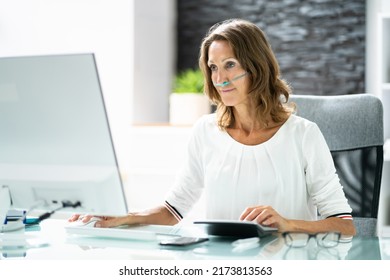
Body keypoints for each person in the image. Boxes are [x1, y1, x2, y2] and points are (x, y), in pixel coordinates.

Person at [70, 19, 356, 236]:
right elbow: (173, 209)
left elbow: (344, 225)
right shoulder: (205, 131)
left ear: (256, 67)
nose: (220, 78)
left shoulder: (303, 134)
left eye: (230, 64)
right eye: (213, 67)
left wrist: (286, 223)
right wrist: (123, 217)